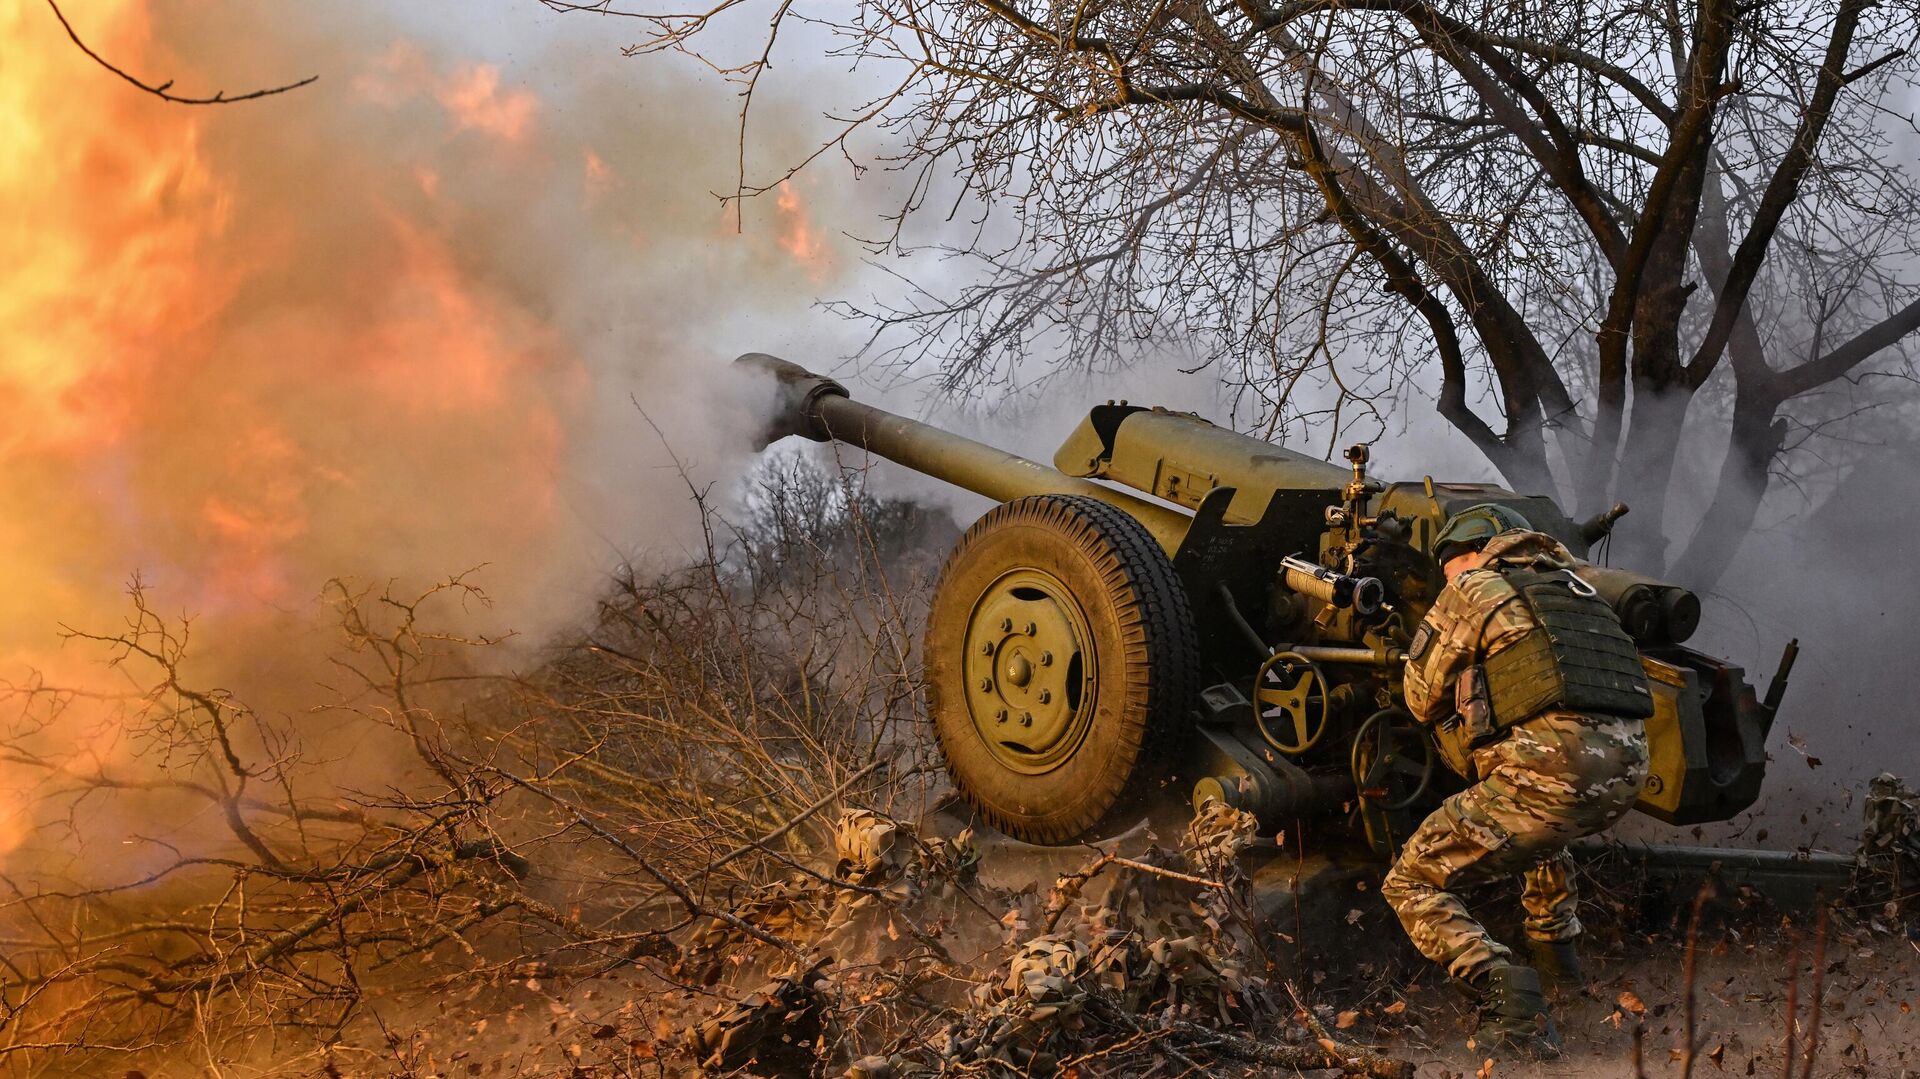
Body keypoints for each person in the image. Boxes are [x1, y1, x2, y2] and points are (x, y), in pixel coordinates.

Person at [1380, 504, 1653, 1058]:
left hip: (1549, 775)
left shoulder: (1476, 587)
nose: (1448, 580)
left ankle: (1513, 1006)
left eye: (1450, 567)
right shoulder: (1576, 588)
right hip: (1624, 777)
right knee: (1541, 839)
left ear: (1473, 552)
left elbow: (1420, 698)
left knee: (1410, 882)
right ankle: (1561, 974)